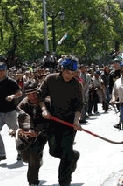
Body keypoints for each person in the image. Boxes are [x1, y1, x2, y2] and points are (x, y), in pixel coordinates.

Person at [37, 56, 83, 186]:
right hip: (54, 121)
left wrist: (76, 121)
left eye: (72, 73)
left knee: (66, 151)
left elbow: (79, 105)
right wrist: (44, 110)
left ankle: (64, 182)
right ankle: (74, 156)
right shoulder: (50, 79)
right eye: (67, 72)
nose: (70, 76)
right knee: (54, 151)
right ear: (61, 69)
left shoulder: (76, 84)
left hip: (69, 124)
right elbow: (40, 95)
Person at [16, 82, 50, 186]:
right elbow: (19, 118)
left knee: (34, 155)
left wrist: (38, 131)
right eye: (29, 94)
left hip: (42, 133)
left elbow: (50, 122)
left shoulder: (47, 102)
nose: (33, 96)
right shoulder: (23, 105)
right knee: (26, 157)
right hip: (28, 133)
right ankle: (38, 161)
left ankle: (33, 181)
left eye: (34, 93)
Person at [0, 62, 23, 162]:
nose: (1, 72)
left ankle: (21, 152)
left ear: (6, 71)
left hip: (10, 111)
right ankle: (1, 154)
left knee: (15, 132)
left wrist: (12, 96)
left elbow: (19, 93)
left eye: (3, 70)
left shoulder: (11, 82)